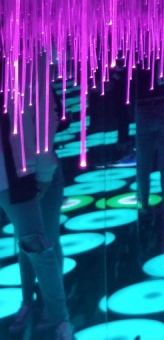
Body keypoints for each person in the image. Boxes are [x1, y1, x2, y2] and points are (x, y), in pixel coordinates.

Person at [0, 57, 75, 339]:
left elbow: (46, 118)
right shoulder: (24, 61)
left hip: (25, 172)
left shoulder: (26, 61)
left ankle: (56, 316)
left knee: (38, 243)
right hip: (18, 173)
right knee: (32, 242)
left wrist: (43, 171)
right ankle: (38, 306)